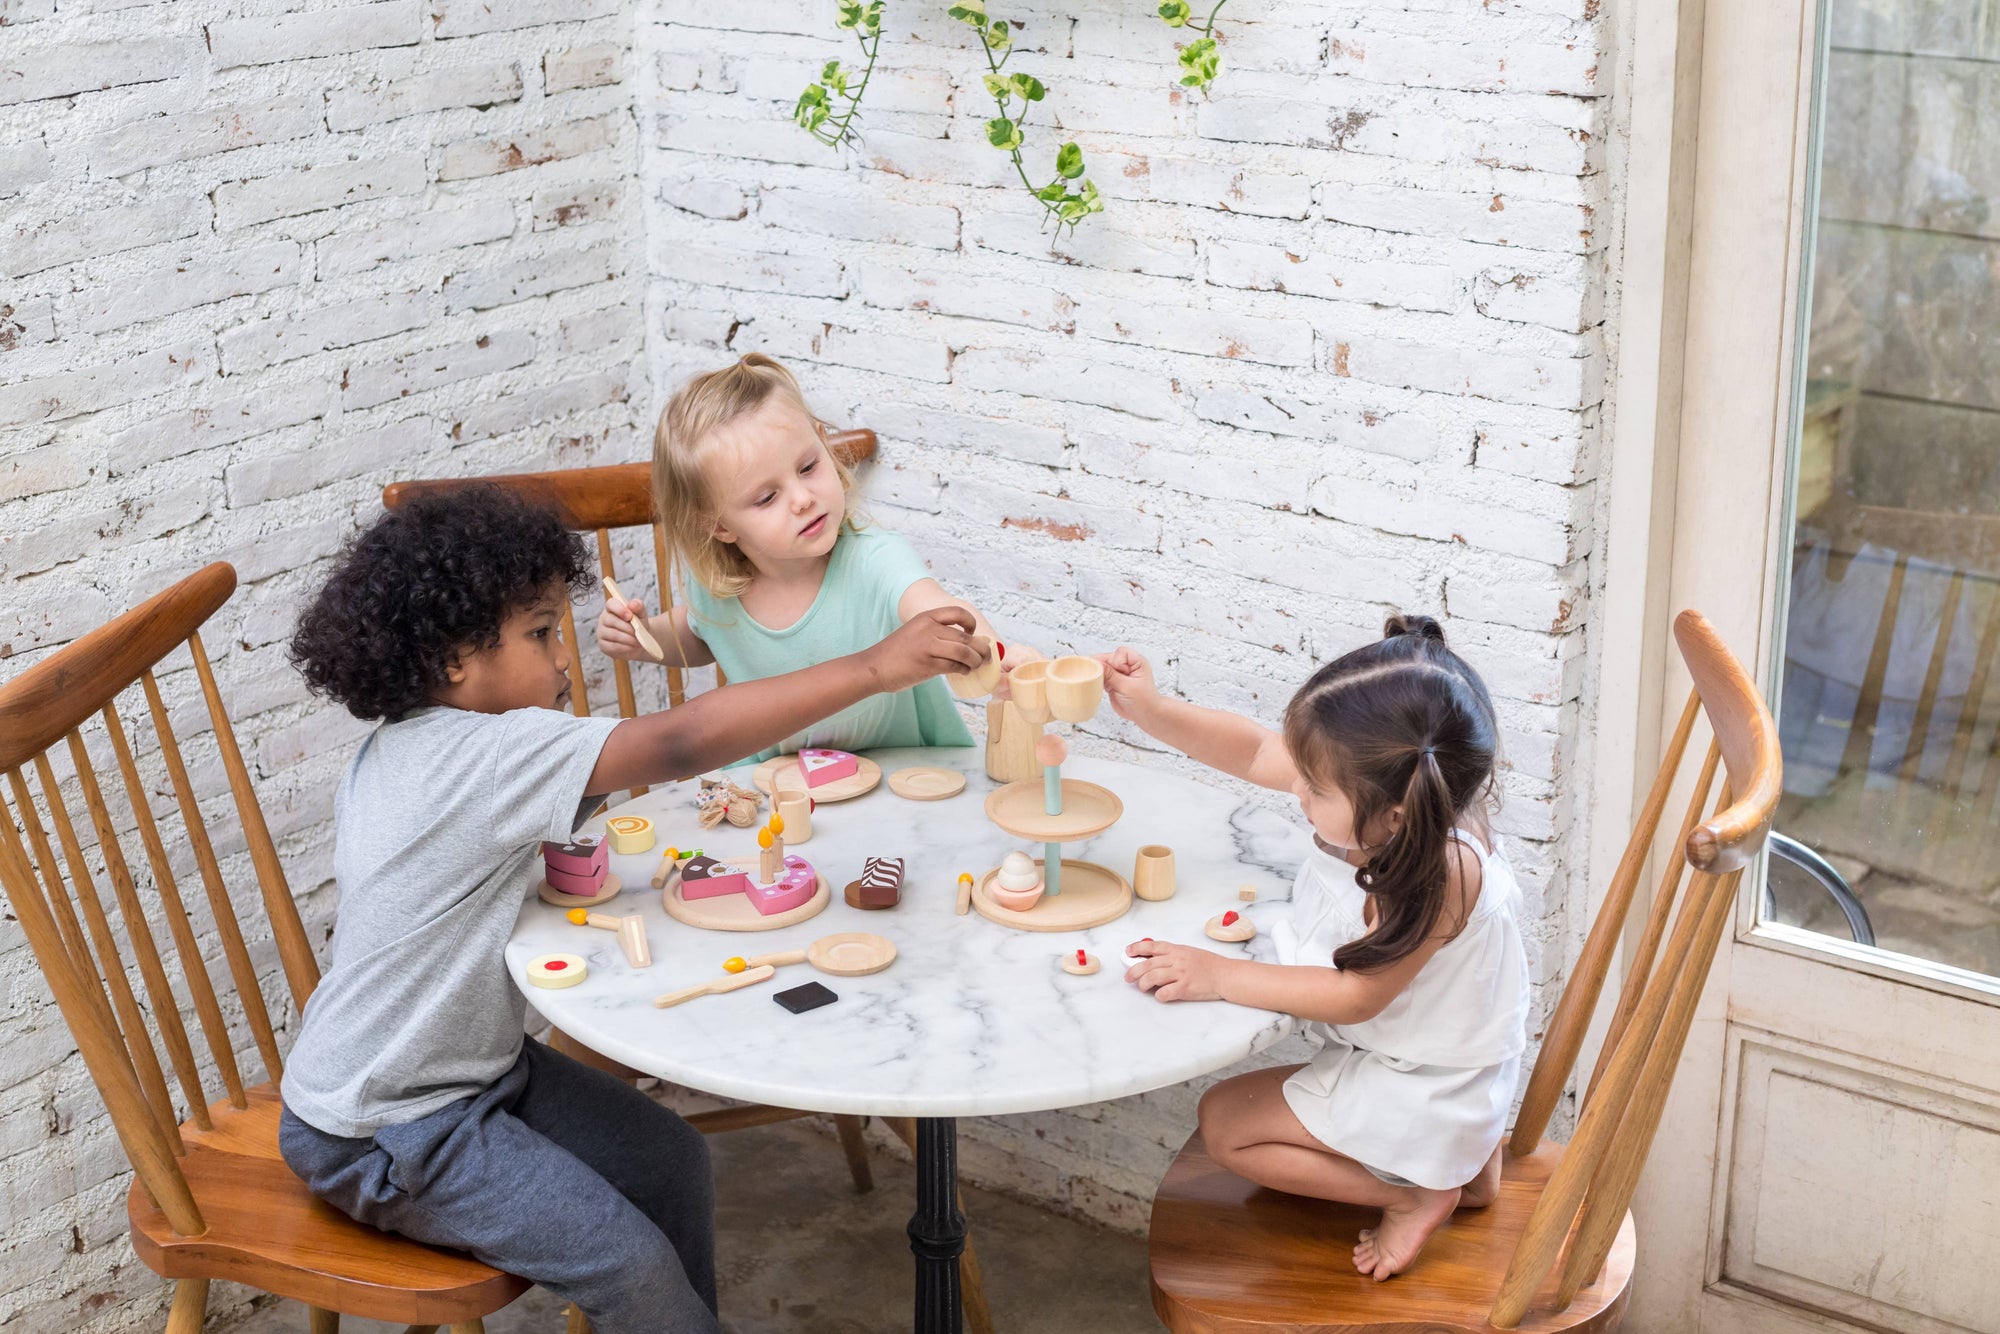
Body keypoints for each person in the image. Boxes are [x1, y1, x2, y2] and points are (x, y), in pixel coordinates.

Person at [279, 484, 987, 1331]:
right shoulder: (487, 756)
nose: (564, 661)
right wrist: (876, 668)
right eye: (541, 634)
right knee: (632, 1265)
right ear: (456, 657)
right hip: (387, 1126)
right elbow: (681, 741)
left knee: (670, 1157)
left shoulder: (409, 749)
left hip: (473, 1074)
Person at [1102, 616, 1529, 1280]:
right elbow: (1253, 751)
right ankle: (1462, 1168)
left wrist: (1219, 974)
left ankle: (1415, 1194)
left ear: (1393, 815)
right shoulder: (1400, 798)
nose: (1295, 787)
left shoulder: (1442, 871)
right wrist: (1152, 710)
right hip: (1445, 1063)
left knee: (1224, 1124)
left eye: (1314, 786)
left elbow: (1356, 997)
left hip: (1428, 1086)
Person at [597, 353, 1003, 762]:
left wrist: (995, 655)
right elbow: (697, 636)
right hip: (776, 785)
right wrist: (645, 637)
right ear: (719, 526)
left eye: (808, 466)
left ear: (823, 443)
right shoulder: (718, 593)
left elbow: (938, 607)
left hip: (900, 777)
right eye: (767, 497)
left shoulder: (875, 558)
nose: (802, 499)